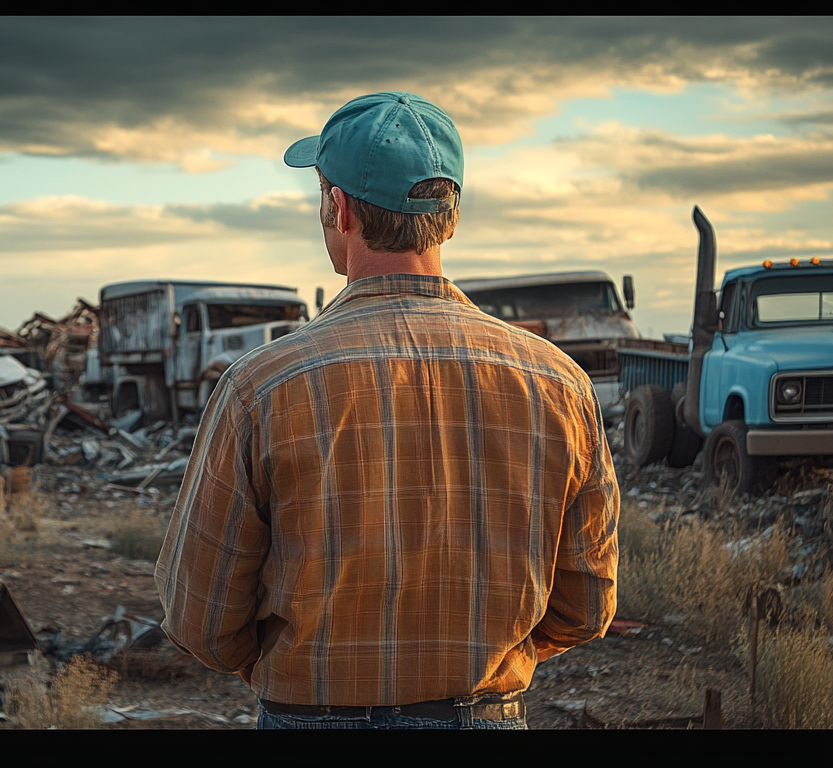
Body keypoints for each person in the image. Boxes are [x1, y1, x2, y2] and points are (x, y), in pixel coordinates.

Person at [154, 92, 618, 730]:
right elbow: (586, 605)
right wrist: (483, 670)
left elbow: (200, 620)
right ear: (449, 216)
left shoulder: (259, 387)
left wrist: (290, 672)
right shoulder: (558, 383)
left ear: (339, 207)